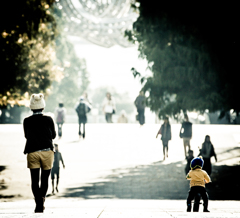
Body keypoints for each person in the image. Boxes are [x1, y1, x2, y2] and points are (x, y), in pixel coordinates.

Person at [23, 93, 55, 213]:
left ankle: (38, 202)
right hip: (47, 152)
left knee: (34, 180)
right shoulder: (48, 119)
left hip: (32, 152)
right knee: (45, 179)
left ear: (31, 107)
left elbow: (26, 136)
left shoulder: (26, 121)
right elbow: (54, 135)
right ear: (43, 107)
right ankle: (42, 200)